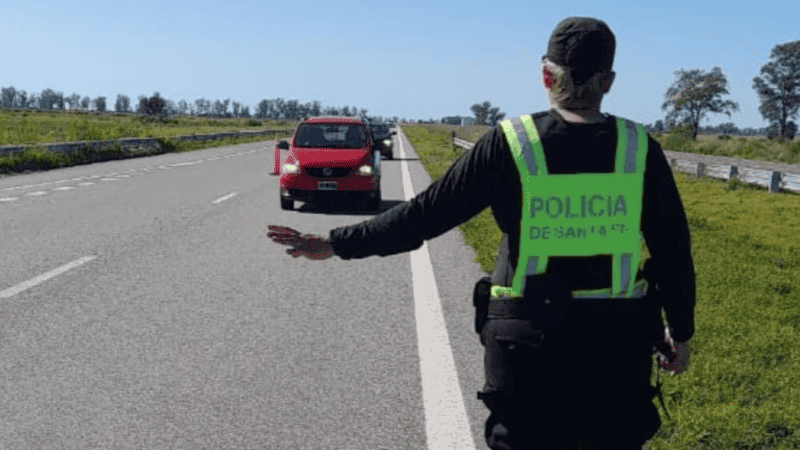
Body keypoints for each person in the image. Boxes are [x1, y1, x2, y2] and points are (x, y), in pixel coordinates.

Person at [267, 16, 694, 450]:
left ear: (546, 76)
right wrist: (681, 331)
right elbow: (673, 250)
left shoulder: (512, 142)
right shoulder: (639, 148)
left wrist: (335, 243)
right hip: (615, 348)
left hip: (527, 345)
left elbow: (424, 215)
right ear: (609, 81)